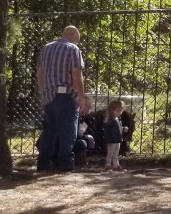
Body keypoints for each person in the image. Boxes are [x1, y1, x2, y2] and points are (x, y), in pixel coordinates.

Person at [34, 25, 87, 172]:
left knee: (49, 131)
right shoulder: (73, 49)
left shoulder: (46, 48)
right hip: (66, 95)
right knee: (68, 131)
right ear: (71, 34)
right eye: (76, 40)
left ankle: (43, 163)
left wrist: (42, 92)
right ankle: (66, 164)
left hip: (48, 95)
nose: (76, 43)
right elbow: (77, 75)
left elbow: (40, 73)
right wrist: (81, 98)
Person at [99, 99, 127, 173]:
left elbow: (118, 129)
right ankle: (108, 164)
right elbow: (108, 132)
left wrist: (123, 129)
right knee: (110, 153)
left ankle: (116, 165)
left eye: (121, 111)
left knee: (116, 153)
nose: (120, 112)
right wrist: (109, 139)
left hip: (117, 140)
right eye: (118, 110)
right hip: (111, 140)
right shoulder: (110, 121)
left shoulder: (117, 119)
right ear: (112, 110)